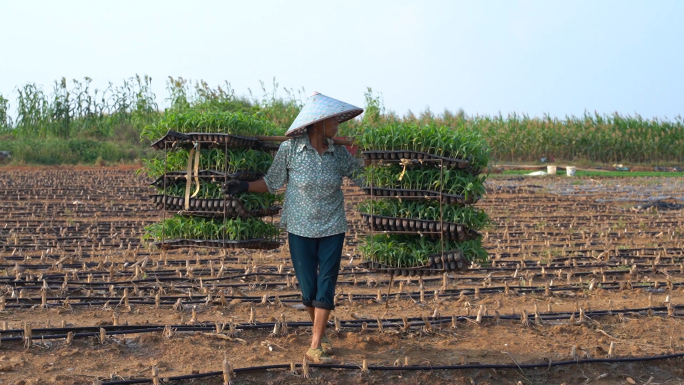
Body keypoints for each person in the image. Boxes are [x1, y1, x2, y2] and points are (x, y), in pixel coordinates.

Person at [224, 92, 364, 363]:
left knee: (327, 283)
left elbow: (363, 180)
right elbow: (272, 182)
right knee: (308, 288)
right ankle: (321, 335)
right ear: (317, 123)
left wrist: (382, 164)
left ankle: (314, 345)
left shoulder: (339, 153)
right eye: (333, 120)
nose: (338, 125)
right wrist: (243, 186)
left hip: (333, 226)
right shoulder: (290, 150)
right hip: (299, 227)